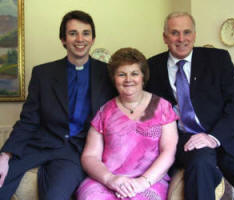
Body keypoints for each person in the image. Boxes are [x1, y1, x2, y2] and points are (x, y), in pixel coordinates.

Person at [146, 11, 234, 200]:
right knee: (200, 163)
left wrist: (213, 137)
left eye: (187, 32)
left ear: (194, 35)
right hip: (187, 141)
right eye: (174, 33)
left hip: (228, 135)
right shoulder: (151, 67)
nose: (181, 38)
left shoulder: (218, 59)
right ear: (165, 37)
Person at [0, 10, 115, 200]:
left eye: (85, 33)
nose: (80, 39)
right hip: (38, 145)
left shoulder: (108, 74)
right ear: (63, 39)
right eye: (72, 33)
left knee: (55, 196)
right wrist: (5, 155)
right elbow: (28, 120)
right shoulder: (43, 73)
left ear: (93, 39)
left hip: (75, 151)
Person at [76, 47, 178, 200]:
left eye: (134, 73)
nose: (128, 79)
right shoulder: (104, 111)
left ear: (143, 77)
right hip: (107, 182)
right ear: (114, 79)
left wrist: (142, 182)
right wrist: (111, 180)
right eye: (122, 74)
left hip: (150, 181)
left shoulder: (162, 107)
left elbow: (168, 152)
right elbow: (90, 156)